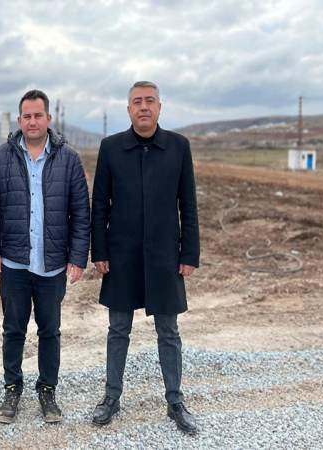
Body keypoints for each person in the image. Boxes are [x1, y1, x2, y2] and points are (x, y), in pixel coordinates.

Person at [90, 81, 200, 434]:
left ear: (159, 107)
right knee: (118, 329)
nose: (143, 107)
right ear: (128, 109)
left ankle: (175, 401)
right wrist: (99, 250)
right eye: (137, 101)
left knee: (168, 331)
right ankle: (111, 398)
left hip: (164, 255)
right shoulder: (111, 148)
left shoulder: (178, 147)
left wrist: (189, 252)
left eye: (149, 101)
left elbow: (188, 204)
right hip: (121, 255)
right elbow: (99, 204)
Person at [0, 89, 90, 424]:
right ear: (19, 120)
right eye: (26, 116)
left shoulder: (68, 159)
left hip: (51, 265)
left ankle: (47, 390)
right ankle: (12, 388)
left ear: (48, 119)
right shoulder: (2, 157)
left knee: (50, 331)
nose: (32, 121)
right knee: (13, 330)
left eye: (38, 115)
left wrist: (78, 257)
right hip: (14, 263)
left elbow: (80, 212)